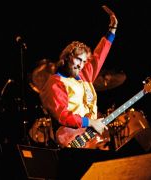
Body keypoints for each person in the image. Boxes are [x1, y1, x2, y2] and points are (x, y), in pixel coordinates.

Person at [39, 5, 118, 149]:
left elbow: (99, 57)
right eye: (78, 59)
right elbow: (63, 115)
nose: (81, 65)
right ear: (68, 57)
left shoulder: (83, 76)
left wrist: (112, 30)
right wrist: (90, 123)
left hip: (90, 139)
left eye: (84, 61)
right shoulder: (56, 82)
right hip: (72, 141)